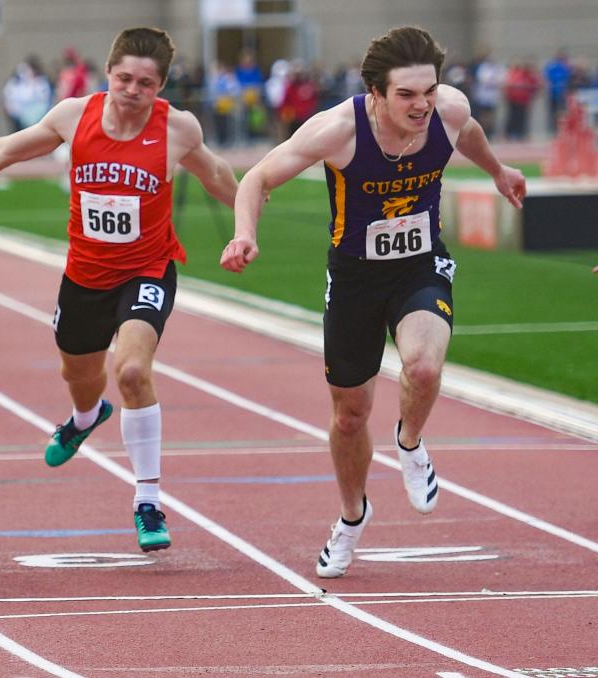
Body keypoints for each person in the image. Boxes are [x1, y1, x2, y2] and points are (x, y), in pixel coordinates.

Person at [0, 27, 239, 552]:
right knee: (80, 375)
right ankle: (86, 417)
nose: (132, 90)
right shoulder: (74, 116)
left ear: (162, 86)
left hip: (146, 270)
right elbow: (2, 152)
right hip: (84, 276)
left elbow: (218, 175)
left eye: (145, 83)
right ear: (108, 75)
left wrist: (247, 225)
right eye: (124, 78)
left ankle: (147, 500)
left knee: (130, 370)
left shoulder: (178, 129)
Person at [219, 26, 525, 578]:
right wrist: (244, 233)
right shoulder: (339, 130)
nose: (422, 105)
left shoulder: (448, 111)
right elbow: (259, 176)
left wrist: (499, 172)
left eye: (428, 91)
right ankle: (352, 516)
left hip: (420, 265)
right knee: (350, 414)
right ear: (376, 94)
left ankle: (409, 443)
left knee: (424, 366)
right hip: (355, 279)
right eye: (406, 95)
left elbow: (471, 132)